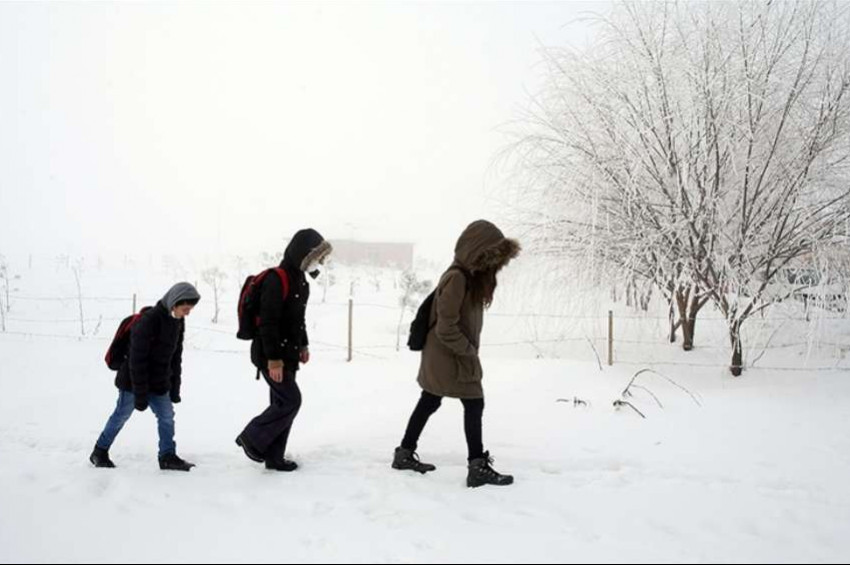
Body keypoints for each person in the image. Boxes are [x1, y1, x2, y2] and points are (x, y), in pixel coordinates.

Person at [392, 220, 520, 488]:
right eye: (490, 257)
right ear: (477, 252)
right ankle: (477, 466)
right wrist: (468, 351)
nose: (493, 265)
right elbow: (445, 326)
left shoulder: (468, 277)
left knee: (430, 400)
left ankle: (404, 453)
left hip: (447, 355)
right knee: (473, 403)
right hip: (449, 356)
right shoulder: (458, 278)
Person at [236, 229, 332, 471]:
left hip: (289, 353)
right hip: (270, 354)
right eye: (316, 257)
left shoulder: (301, 281)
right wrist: (274, 360)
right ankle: (251, 437)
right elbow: (268, 323)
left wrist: (303, 344)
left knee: (282, 404)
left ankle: (274, 457)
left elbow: (298, 319)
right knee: (291, 401)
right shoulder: (276, 279)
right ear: (302, 254)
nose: (319, 262)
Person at [90, 282, 201, 471]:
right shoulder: (148, 322)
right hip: (133, 381)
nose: (187, 313)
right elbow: (137, 360)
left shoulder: (178, 322)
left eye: (190, 310)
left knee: (167, 416)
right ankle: (99, 452)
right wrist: (140, 394)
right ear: (174, 303)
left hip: (159, 381)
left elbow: (176, 357)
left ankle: (167, 456)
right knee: (121, 415)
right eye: (185, 309)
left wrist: (174, 387)